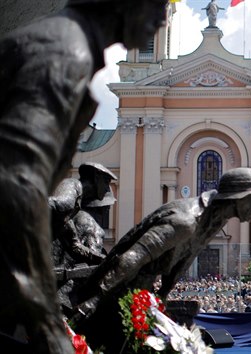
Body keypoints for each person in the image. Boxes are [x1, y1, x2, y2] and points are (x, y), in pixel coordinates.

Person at [0, 0, 167, 353]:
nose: (162, 17)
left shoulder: (72, 47)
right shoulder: (65, 53)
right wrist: (44, 316)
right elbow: (17, 186)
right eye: (157, 3)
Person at [71, 167, 251, 349]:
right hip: (117, 288)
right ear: (237, 197)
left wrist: (162, 297)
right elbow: (133, 257)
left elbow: (186, 259)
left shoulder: (215, 219)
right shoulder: (185, 221)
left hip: (140, 289)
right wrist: (94, 300)